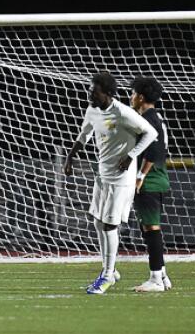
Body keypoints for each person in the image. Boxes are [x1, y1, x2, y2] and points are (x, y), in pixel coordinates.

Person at [63, 72, 158, 295]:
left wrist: (131, 155)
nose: (89, 95)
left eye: (93, 91)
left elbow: (150, 132)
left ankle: (107, 276)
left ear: (107, 93)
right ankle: (110, 270)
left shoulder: (122, 112)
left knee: (109, 226)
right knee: (98, 222)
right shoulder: (92, 110)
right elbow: (84, 134)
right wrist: (70, 156)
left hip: (121, 179)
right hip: (103, 175)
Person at [129, 77, 173, 293]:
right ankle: (162, 275)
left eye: (133, 93)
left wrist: (140, 176)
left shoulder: (148, 119)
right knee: (148, 228)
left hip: (151, 180)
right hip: (157, 178)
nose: (131, 97)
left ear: (140, 97)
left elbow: (154, 150)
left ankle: (155, 278)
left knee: (151, 228)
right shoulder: (156, 117)